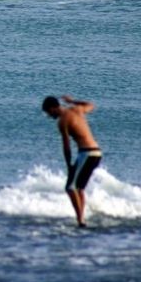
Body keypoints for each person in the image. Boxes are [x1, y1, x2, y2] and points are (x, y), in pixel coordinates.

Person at [42, 94, 102, 227]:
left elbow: (66, 146)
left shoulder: (63, 121)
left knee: (70, 187)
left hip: (87, 153)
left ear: (53, 108)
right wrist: (72, 101)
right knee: (79, 188)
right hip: (96, 152)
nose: (49, 116)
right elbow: (91, 105)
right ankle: (82, 219)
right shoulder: (77, 109)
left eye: (48, 112)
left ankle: (80, 221)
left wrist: (68, 165)